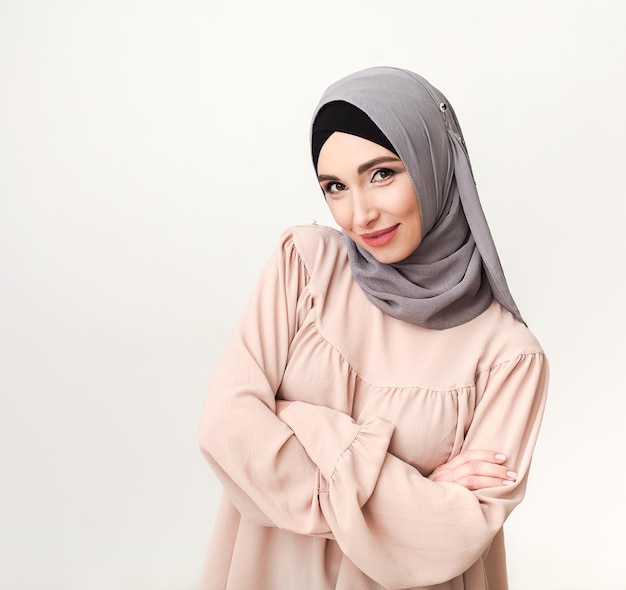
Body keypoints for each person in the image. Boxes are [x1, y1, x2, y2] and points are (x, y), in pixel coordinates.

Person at [198, 66, 549, 590]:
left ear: (432, 163)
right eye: (335, 187)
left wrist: (294, 422)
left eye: (382, 173)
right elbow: (226, 429)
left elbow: (451, 535)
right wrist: (407, 488)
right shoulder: (305, 267)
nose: (360, 214)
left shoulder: (508, 357)